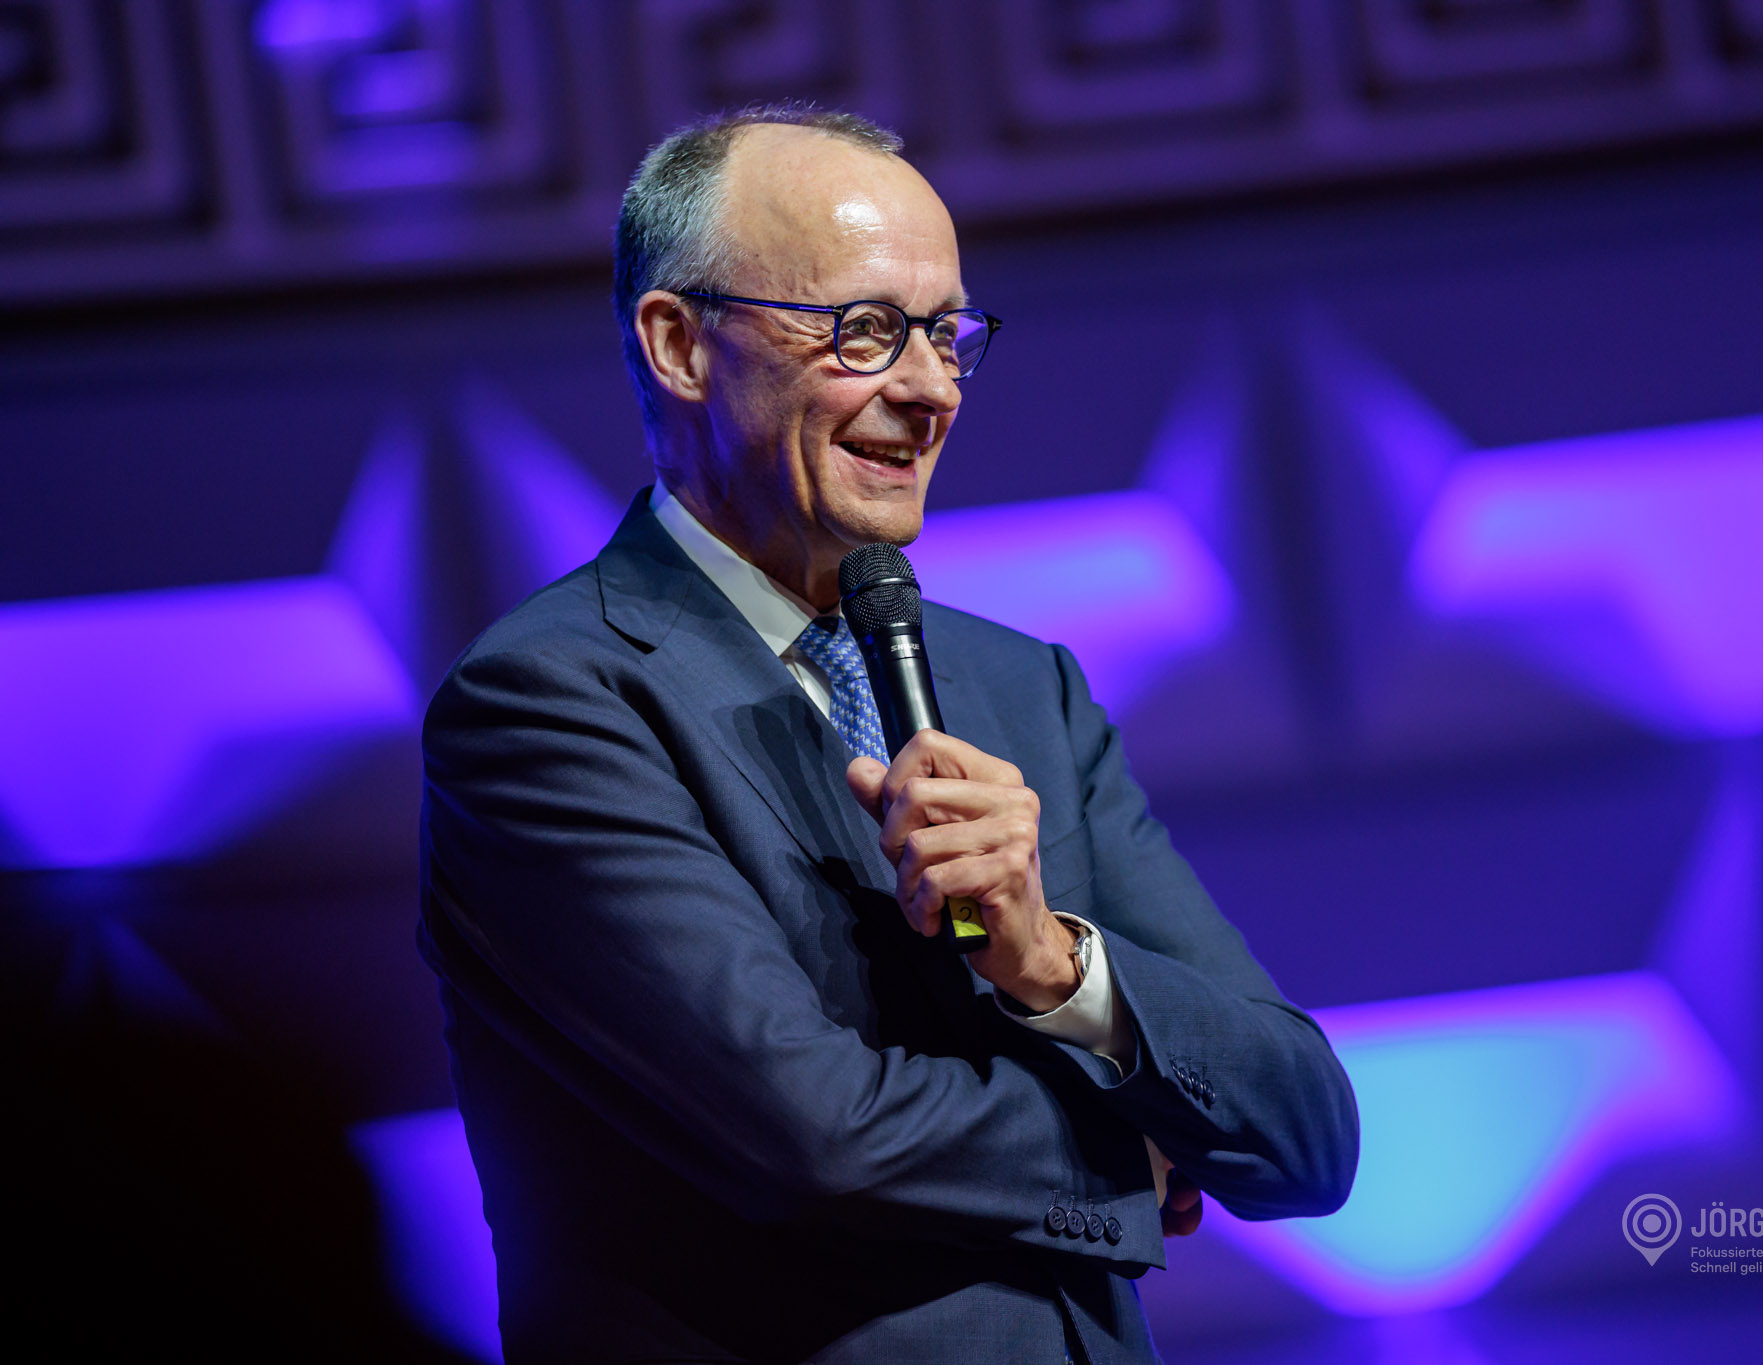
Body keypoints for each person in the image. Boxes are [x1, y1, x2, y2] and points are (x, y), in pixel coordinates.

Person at [417, 103, 1359, 1365]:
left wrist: (1056, 970)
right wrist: (1133, 1149)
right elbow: (814, 1140)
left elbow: (1305, 1134)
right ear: (679, 344)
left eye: (948, 334)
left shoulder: (1022, 688)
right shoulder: (548, 701)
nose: (926, 389)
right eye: (863, 332)